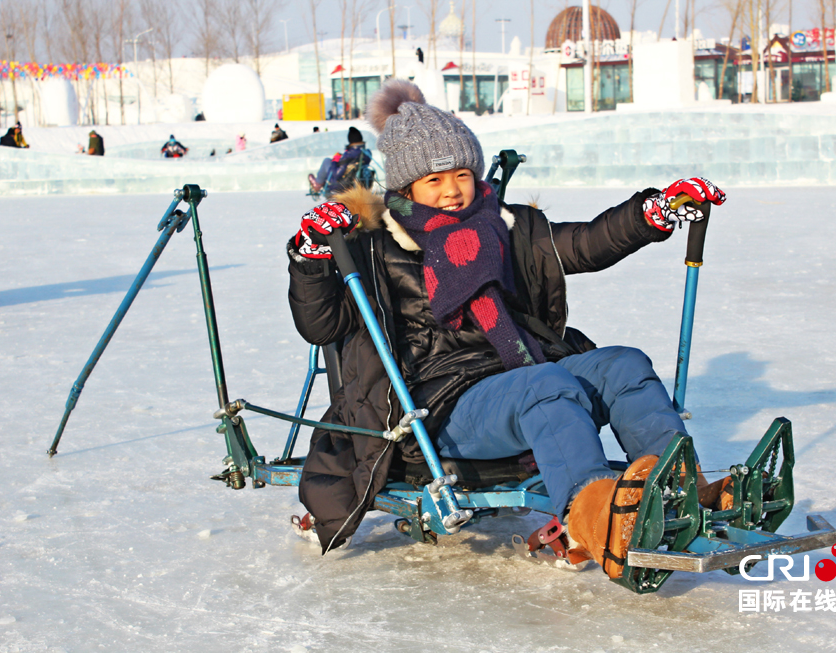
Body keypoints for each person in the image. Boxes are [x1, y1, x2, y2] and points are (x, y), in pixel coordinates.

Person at [287, 80, 730, 576]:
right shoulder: (373, 244)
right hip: (439, 406)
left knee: (623, 364)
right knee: (545, 384)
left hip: (524, 375)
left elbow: (584, 243)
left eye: (461, 174)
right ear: (406, 187)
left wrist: (652, 213)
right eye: (433, 180)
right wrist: (310, 259)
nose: (451, 190)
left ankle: (679, 488)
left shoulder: (504, 226)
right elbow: (321, 323)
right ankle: (593, 514)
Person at [308, 126, 372, 195]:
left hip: (342, 184)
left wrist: (335, 160)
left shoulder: (349, 154)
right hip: (357, 181)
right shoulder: (366, 153)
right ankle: (319, 182)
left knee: (327, 161)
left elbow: (336, 174)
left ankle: (318, 184)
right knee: (328, 161)